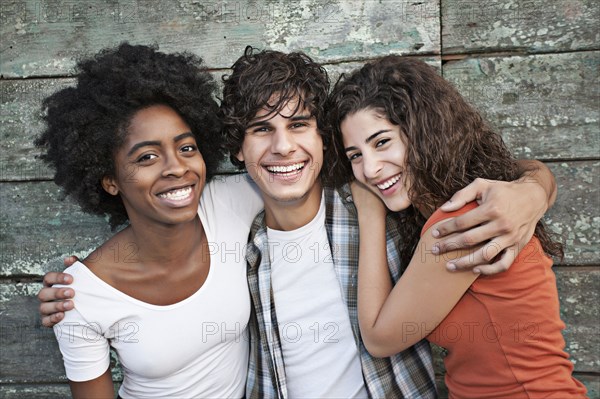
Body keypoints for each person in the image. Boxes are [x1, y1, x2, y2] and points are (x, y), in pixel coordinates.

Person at [39, 47, 558, 398]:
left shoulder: (381, 201)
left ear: (321, 139)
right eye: (261, 129)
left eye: (299, 125)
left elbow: (480, 176)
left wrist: (531, 190)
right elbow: (158, 213)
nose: (283, 146)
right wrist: (80, 288)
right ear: (238, 151)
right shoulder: (230, 223)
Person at [328, 55, 588, 398]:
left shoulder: (459, 222)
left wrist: (369, 211)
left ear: (422, 131)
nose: (371, 169)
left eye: (381, 142)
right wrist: (536, 185)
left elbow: (379, 338)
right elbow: (528, 168)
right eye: (355, 156)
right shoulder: (481, 196)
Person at [35, 43, 262, 398]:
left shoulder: (230, 202)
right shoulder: (76, 296)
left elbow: (304, 176)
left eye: (187, 148)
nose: (176, 167)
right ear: (109, 179)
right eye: (147, 157)